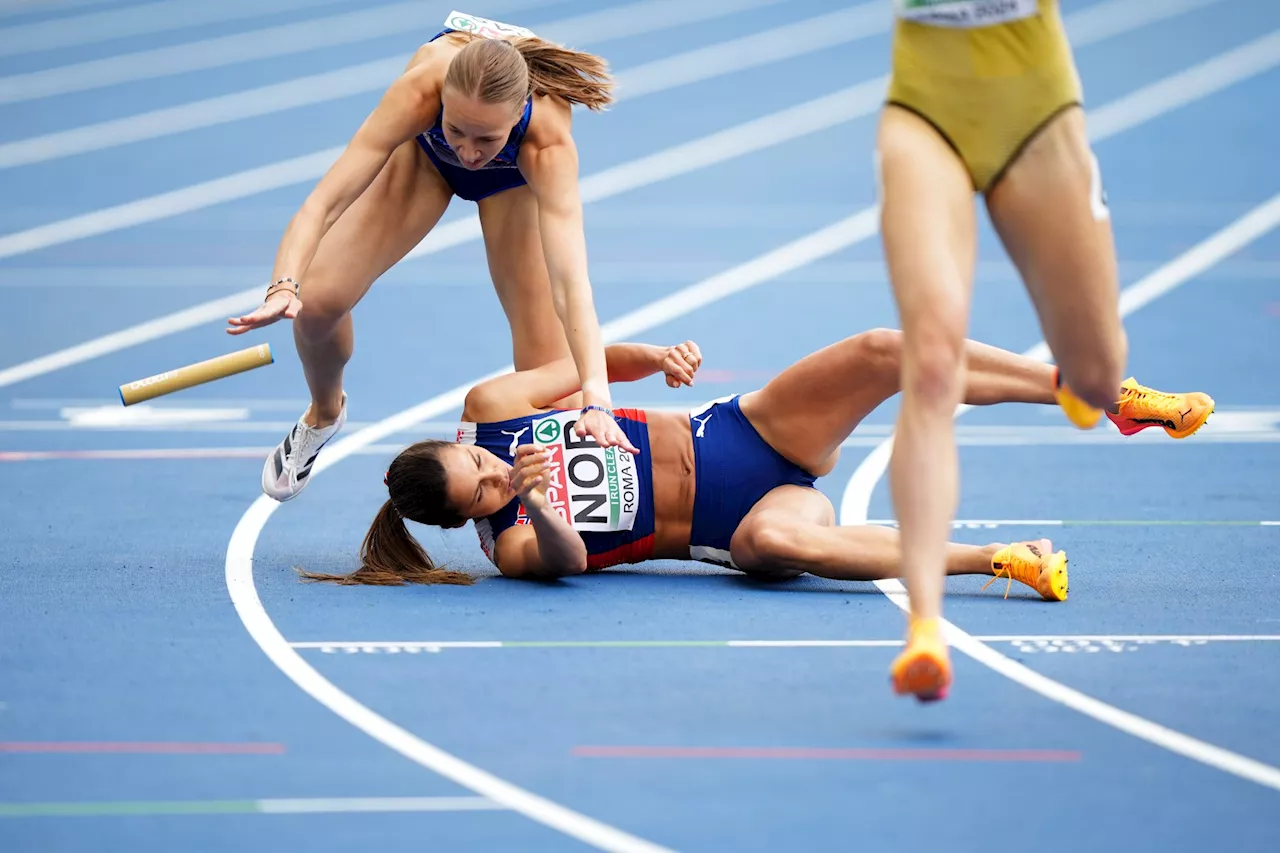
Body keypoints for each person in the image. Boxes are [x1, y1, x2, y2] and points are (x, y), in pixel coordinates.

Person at [301, 330, 1211, 627]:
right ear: (471, 522)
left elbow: (584, 360)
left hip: (743, 430)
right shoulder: (512, 546)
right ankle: (1006, 559)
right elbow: (571, 560)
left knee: (880, 349)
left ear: (461, 437)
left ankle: (1097, 393)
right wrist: (535, 495)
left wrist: (650, 358)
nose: (497, 476)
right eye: (484, 494)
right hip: (743, 517)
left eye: (483, 464)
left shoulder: (493, 404)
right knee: (776, 545)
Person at [874, 0, 1216, 699]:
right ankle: (927, 632)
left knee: (1097, 372)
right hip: (923, 107)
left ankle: (1085, 386)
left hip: (1036, 107)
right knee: (931, 362)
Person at [223, 11, 635, 502]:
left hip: (512, 185)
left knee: (553, 384)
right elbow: (323, 203)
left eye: (487, 138)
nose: (469, 151)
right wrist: (283, 285)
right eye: (458, 128)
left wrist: (598, 398)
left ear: (519, 112)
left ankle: (550, 518)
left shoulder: (547, 142)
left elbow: (572, 285)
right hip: (424, 161)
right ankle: (324, 413)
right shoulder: (420, 90)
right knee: (317, 305)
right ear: (441, 102)